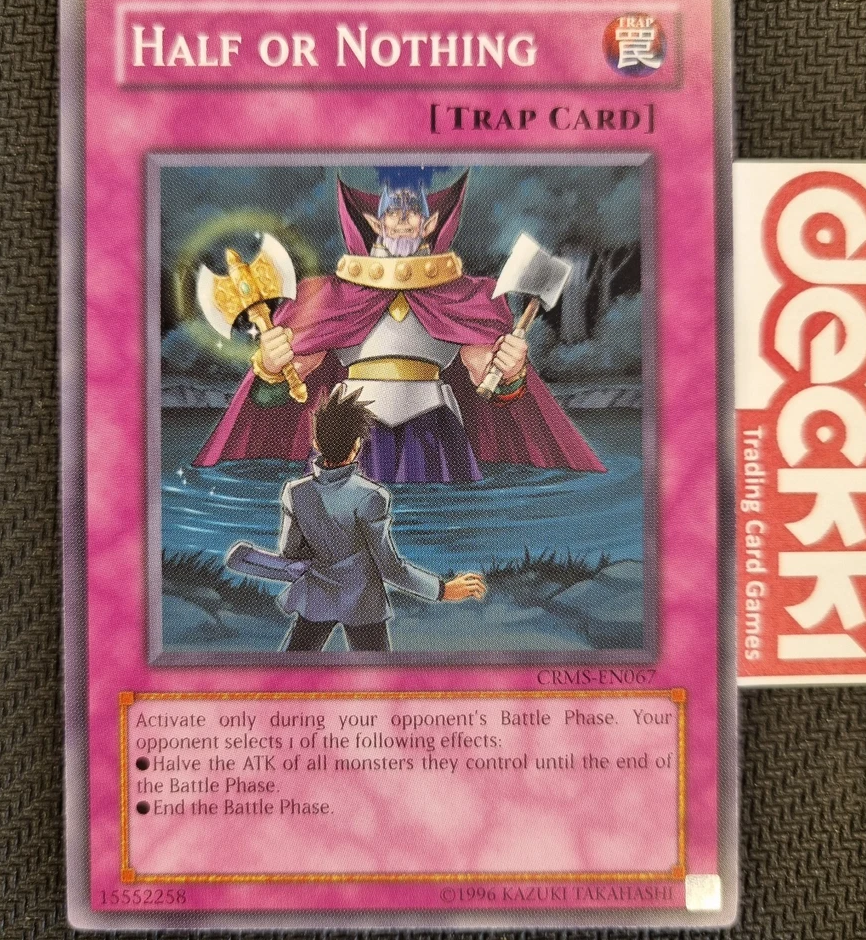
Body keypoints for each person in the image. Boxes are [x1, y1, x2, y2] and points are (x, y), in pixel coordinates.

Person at [195, 172, 605, 482]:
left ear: (431, 223)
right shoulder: (326, 295)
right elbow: (282, 391)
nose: (404, 219)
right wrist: (270, 366)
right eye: (394, 210)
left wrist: (511, 372)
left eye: (414, 211)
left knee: (440, 522)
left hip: (432, 424)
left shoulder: (469, 295)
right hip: (351, 426)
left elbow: (488, 379)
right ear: (375, 223)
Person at [273, 387, 485, 651]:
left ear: (316, 442)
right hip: (363, 604)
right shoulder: (372, 496)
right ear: (357, 446)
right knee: (377, 673)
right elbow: (390, 568)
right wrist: (442, 590)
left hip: (315, 598)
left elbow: (289, 551)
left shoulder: (294, 491)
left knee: (291, 668)